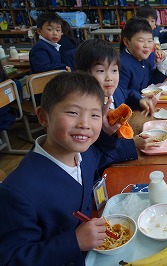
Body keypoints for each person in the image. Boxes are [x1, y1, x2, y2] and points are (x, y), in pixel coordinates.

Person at [0, 71, 138, 265]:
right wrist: (73, 242)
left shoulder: (86, 154)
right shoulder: (17, 192)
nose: (85, 124)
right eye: (73, 112)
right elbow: (12, 258)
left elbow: (104, 155)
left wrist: (121, 139)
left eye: (95, 115)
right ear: (43, 117)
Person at [75, 38, 161, 150]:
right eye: (101, 71)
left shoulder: (116, 92)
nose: (109, 78)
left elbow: (128, 94)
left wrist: (140, 101)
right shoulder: (84, 113)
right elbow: (96, 150)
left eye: (114, 70)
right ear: (82, 75)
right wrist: (131, 144)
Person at [119, 16, 167, 117]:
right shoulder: (121, 64)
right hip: (130, 114)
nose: (146, 45)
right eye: (141, 41)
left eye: (150, 41)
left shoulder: (146, 58)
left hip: (146, 108)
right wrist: (139, 99)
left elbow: (151, 81)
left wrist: (161, 63)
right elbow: (121, 93)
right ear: (126, 42)